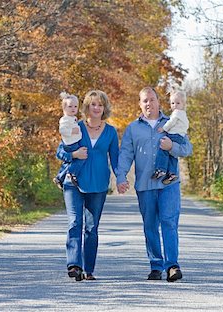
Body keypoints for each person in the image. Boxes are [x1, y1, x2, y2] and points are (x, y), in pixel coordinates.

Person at [116, 87, 192, 282]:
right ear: (140, 104)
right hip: (145, 185)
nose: (148, 103)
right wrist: (121, 176)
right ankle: (156, 266)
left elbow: (186, 149)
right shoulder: (133, 128)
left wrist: (171, 147)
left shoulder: (172, 122)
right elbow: (126, 154)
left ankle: (172, 265)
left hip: (169, 183)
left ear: (158, 102)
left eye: (152, 99)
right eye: (144, 101)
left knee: (169, 222)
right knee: (150, 226)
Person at [56, 90, 119, 281]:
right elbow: (61, 152)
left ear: (104, 108)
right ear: (87, 107)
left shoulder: (110, 132)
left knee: (91, 228)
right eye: (93, 104)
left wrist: (121, 179)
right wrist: (74, 155)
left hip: (98, 185)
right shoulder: (75, 126)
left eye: (100, 105)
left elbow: (115, 159)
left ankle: (88, 269)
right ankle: (74, 265)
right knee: (75, 222)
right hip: (73, 182)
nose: (97, 108)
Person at [152, 90, 189, 185]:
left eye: (178, 103)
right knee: (173, 155)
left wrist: (163, 129)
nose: (174, 105)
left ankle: (161, 169)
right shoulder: (184, 114)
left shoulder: (177, 113)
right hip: (180, 135)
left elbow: (171, 122)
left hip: (174, 135)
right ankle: (172, 173)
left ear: (183, 104)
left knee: (163, 149)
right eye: (172, 103)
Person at [53, 92, 84, 189]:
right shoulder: (65, 119)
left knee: (69, 162)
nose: (73, 108)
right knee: (80, 159)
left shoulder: (73, 118)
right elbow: (62, 130)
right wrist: (72, 131)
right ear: (64, 108)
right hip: (71, 144)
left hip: (73, 142)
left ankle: (60, 177)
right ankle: (71, 173)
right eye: (70, 106)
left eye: (75, 106)